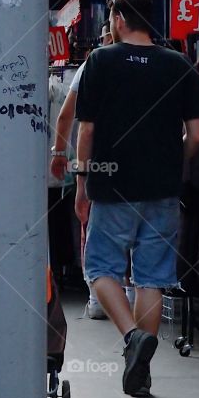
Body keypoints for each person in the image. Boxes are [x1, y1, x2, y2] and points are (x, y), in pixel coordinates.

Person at [74, 0, 199, 397]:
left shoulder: (101, 60)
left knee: (100, 268)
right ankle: (141, 371)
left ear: (117, 19)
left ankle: (133, 338)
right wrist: (174, 159)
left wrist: (81, 181)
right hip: (162, 187)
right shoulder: (179, 64)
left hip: (112, 185)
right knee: (152, 276)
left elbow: (88, 129)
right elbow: (198, 134)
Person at [50, 23, 114, 320]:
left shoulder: (95, 63)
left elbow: (69, 117)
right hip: (145, 165)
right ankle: (133, 301)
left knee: (96, 228)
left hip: (99, 161)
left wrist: (61, 154)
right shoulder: (162, 60)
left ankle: (99, 299)